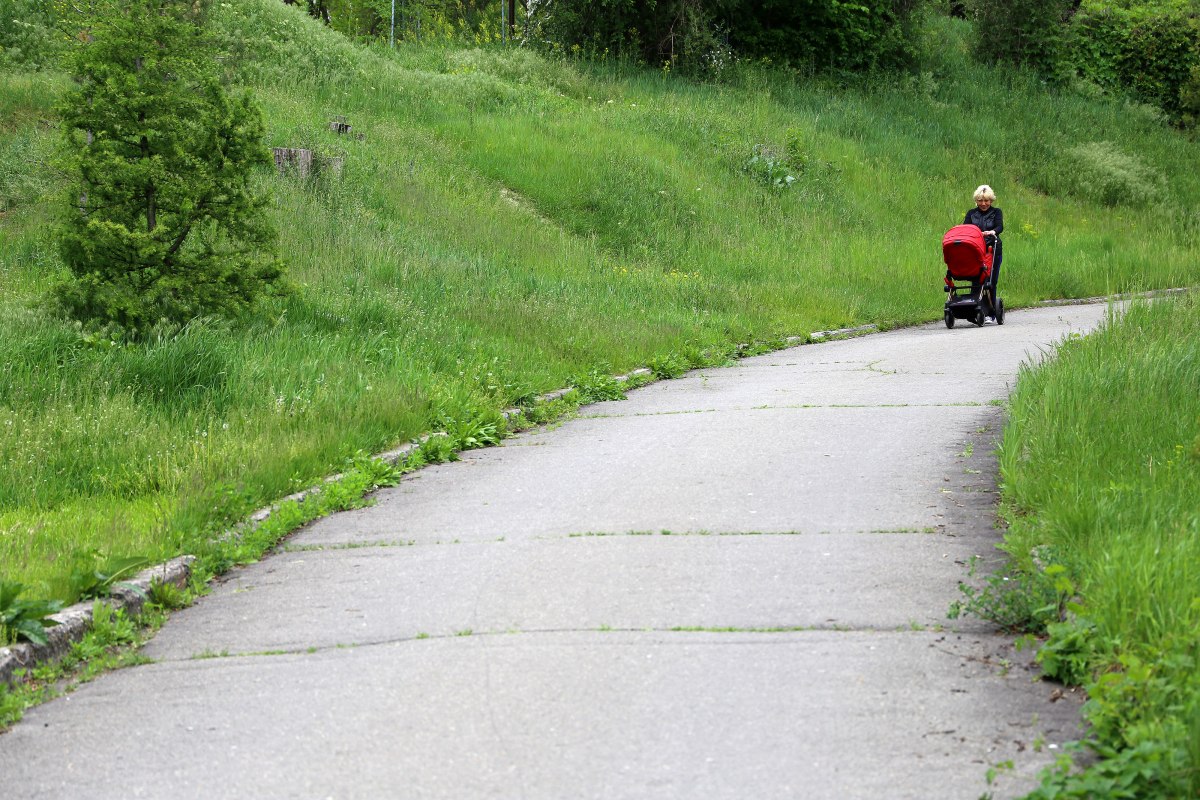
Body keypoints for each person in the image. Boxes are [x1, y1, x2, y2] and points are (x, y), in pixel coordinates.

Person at [963, 185, 1003, 317]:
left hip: (992, 249)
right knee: (976, 280)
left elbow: (999, 226)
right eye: (980, 200)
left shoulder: (996, 212)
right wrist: (975, 234)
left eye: (986, 200)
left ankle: (991, 313)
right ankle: (974, 310)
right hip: (975, 251)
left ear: (991, 200)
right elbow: (966, 227)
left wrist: (992, 232)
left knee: (991, 281)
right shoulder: (971, 213)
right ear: (976, 201)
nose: (983, 204)